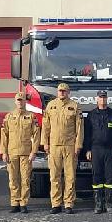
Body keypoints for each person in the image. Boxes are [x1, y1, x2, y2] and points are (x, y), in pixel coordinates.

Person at [40, 82, 83, 214]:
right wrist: (45, 143)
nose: (62, 93)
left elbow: (79, 128)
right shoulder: (51, 105)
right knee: (54, 176)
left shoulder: (74, 106)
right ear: (57, 92)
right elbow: (45, 126)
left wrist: (78, 145)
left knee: (70, 176)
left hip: (70, 146)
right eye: (60, 91)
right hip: (54, 146)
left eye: (64, 91)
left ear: (68, 92)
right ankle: (56, 204)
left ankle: (68, 204)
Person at [0, 92, 39, 213]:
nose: (20, 102)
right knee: (13, 179)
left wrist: (34, 152)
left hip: (26, 153)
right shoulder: (9, 116)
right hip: (12, 152)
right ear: (15, 101)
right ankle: (14, 203)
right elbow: (4, 135)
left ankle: (23, 203)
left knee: (25, 179)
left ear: (25, 101)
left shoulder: (31, 116)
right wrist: (4, 152)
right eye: (18, 100)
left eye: (22, 100)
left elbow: (36, 135)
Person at [84, 90, 112, 214]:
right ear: (97, 99)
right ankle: (99, 204)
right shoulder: (91, 115)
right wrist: (88, 149)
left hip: (110, 149)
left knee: (109, 176)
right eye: (100, 97)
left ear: (107, 99)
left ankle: (109, 203)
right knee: (97, 176)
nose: (103, 99)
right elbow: (88, 134)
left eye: (104, 97)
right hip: (96, 149)